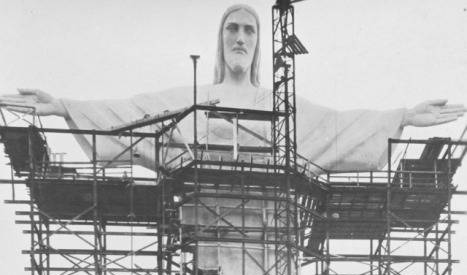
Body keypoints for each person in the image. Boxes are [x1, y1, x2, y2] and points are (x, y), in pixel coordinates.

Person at [1, 5, 464, 173]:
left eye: (249, 30)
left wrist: (402, 116)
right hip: (207, 240)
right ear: (221, 41)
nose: (240, 37)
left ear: (259, 43)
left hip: (271, 245)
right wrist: (63, 106)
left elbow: (340, 128)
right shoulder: (193, 100)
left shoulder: (279, 105)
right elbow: (132, 114)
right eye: (232, 30)